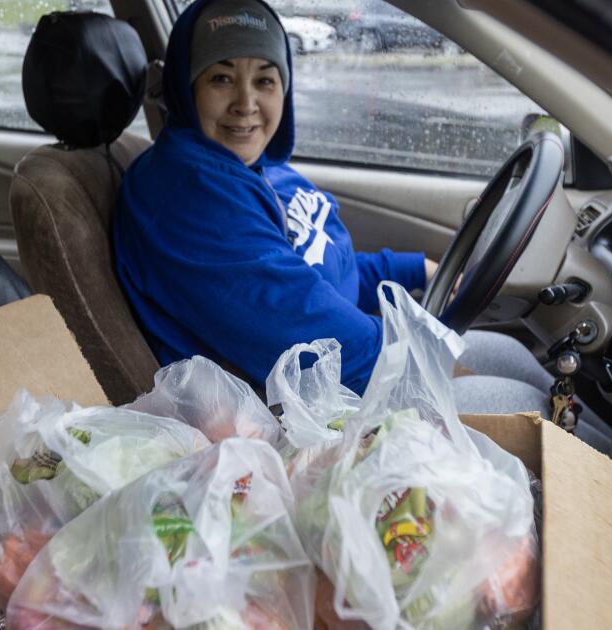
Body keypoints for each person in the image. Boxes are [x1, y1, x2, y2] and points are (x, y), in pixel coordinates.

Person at [112, 0, 583, 425]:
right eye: (221, 77)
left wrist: (414, 269)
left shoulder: (251, 169)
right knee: (529, 409)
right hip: (298, 414)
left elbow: (317, 266)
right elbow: (303, 335)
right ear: (185, 88)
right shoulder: (187, 193)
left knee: (515, 359)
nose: (246, 103)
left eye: (265, 79)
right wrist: (430, 362)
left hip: (346, 368)